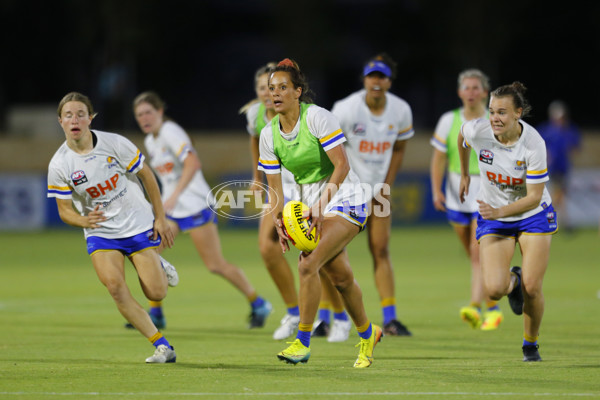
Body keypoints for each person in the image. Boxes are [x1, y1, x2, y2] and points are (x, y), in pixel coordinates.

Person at [258, 58, 382, 367]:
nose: (275, 93)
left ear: (298, 91)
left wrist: (319, 205)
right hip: (312, 205)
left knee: (307, 263)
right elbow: (275, 190)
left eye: (283, 87)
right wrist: (279, 223)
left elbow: (342, 165)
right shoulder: (268, 135)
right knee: (341, 278)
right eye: (272, 88)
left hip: (346, 196)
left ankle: (302, 341)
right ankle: (368, 333)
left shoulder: (317, 118)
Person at [48, 92, 178, 363]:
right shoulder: (59, 164)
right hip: (102, 232)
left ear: (90, 118)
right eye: (69, 115)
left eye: (81, 114)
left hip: (137, 222)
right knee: (115, 288)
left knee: (157, 292)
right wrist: (83, 221)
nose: (75, 120)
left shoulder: (115, 143)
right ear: (60, 121)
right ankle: (162, 346)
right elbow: (64, 211)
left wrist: (160, 217)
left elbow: (147, 176)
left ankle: (157, 262)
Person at [133, 91, 272, 329]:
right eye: (139, 115)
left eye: (148, 112)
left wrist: (175, 195)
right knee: (149, 253)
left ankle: (258, 303)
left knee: (215, 264)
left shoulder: (169, 131)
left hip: (195, 204)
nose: (144, 118)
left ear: (160, 112)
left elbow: (192, 163)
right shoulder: (150, 141)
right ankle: (155, 313)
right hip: (172, 209)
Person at [458, 82, 558, 362]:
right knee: (494, 289)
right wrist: (465, 173)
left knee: (533, 287)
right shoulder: (479, 130)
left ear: (518, 113)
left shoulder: (533, 143)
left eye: (502, 112)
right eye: (491, 111)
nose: (495, 118)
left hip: (532, 215)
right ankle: (512, 281)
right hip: (496, 218)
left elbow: (535, 197)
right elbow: (461, 138)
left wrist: (499, 212)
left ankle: (530, 344)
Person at [330, 53, 412, 337]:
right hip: (347, 191)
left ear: (389, 81)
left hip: (378, 192)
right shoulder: (345, 109)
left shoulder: (401, 110)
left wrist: (385, 187)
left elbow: (399, 149)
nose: (376, 82)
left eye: (382, 77)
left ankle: (390, 318)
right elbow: (328, 148)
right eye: (372, 76)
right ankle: (330, 318)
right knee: (331, 252)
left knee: (380, 249)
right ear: (364, 80)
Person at [430, 69, 504, 330]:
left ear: (485, 92)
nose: (471, 92)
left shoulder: (494, 121)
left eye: (476, 88)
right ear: (460, 92)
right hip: (456, 193)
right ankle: (494, 305)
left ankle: (477, 306)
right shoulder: (448, 120)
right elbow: (439, 157)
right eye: (467, 87)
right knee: (474, 255)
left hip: (486, 191)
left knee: (477, 251)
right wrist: (436, 190)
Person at [240, 63, 301, 339]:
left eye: (274, 87)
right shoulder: (256, 115)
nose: (269, 92)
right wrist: (257, 176)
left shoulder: (296, 111)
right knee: (267, 247)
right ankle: (295, 311)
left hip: (303, 184)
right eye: (264, 88)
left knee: (313, 251)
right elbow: (255, 140)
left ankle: (330, 315)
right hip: (278, 186)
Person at [536, 100, 581, 230]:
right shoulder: (547, 130)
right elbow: (537, 146)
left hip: (564, 168)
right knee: (557, 194)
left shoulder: (569, 130)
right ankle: (557, 221)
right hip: (551, 168)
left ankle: (557, 221)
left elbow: (575, 147)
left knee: (560, 195)